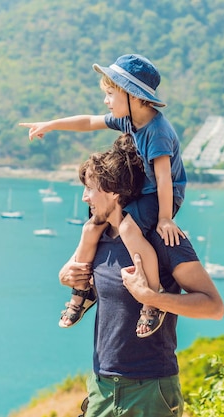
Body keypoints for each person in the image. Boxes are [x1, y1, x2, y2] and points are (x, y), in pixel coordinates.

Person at [19, 54, 186, 335]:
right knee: (92, 226)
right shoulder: (129, 120)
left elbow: (164, 177)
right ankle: (83, 291)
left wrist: (166, 218)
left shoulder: (156, 131)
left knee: (130, 230)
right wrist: (51, 124)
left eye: (110, 94)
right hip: (142, 190)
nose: (106, 101)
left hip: (161, 194)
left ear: (133, 96)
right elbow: (88, 121)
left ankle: (152, 300)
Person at [61, 137, 224, 417]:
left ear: (112, 192)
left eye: (90, 189)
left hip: (151, 389)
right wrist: (67, 275)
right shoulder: (97, 237)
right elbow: (77, 276)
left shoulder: (161, 239)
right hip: (102, 386)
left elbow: (214, 307)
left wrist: (153, 298)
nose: (84, 197)